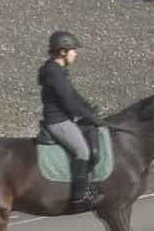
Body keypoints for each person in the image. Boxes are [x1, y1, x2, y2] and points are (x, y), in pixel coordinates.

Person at [39, 30, 106, 212]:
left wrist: (90, 110)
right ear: (62, 52)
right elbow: (68, 101)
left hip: (65, 118)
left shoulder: (59, 71)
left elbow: (74, 95)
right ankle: (77, 198)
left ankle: (88, 181)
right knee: (82, 151)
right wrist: (87, 116)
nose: (75, 53)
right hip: (58, 122)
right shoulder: (54, 73)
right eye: (73, 50)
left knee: (93, 136)